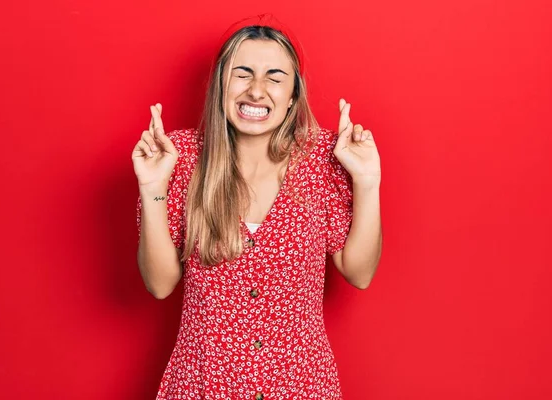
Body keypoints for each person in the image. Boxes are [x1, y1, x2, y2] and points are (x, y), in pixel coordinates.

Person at [132, 14, 382, 400]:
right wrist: (152, 187)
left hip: (300, 386)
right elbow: (160, 284)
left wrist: (367, 181)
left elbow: (359, 273)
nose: (256, 90)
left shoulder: (322, 161)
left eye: (275, 78)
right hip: (203, 385)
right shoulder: (178, 158)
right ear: (221, 87)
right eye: (242, 74)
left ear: (293, 97)